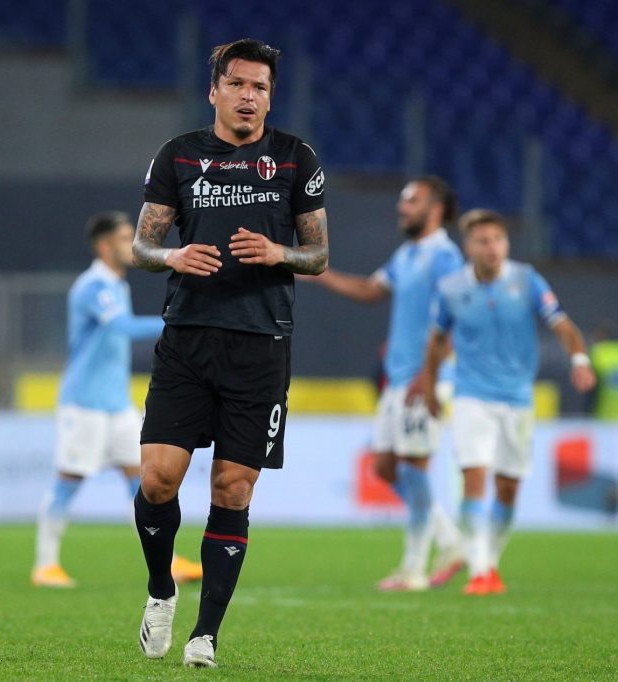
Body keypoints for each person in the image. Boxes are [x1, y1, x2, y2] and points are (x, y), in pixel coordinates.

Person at [130, 39, 328, 669]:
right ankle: (161, 589)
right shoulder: (179, 155)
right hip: (188, 337)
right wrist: (173, 255)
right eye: (238, 84)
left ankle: (205, 635)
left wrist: (279, 253)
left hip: (261, 345)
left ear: (271, 96)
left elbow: (318, 255)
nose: (249, 96)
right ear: (214, 90)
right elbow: (141, 246)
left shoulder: (295, 158)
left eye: (260, 87)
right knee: (158, 478)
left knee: (233, 488)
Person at [420, 209, 596, 595]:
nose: (492, 248)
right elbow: (436, 342)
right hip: (471, 396)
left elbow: (562, 324)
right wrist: (430, 389)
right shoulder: (451, 288)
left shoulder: (526, 280)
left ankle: (489, 562)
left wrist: (580, 360)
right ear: (469, 247)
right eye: (483, 241)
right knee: (474, 477)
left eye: (498, 240)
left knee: (508, 488)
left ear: (507, 243)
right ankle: (480, 569)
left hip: (518, 398)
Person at [306, 176, 466, 591]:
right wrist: (321, 274)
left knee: (414, 467)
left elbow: (455, 319)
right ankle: (451, 541)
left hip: (424, 378)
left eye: (411, 200)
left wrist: (428, 375)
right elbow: (370, 290)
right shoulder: (408, 254)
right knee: (385, 466)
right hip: (398, 378)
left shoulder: (445, 258)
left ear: (435, 209)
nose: (402, 207)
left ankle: (414, 569)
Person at [31, 211, 202, 589]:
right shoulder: (93, 286)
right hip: (85, 403)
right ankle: (45, 565)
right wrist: (178, 320)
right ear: (105, 246)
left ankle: (169, 561)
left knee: (144, 482)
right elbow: (123, 327)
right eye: (126, 237)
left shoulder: (116, 285)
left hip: (117, 404)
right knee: (70, 479)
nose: (134, 243)